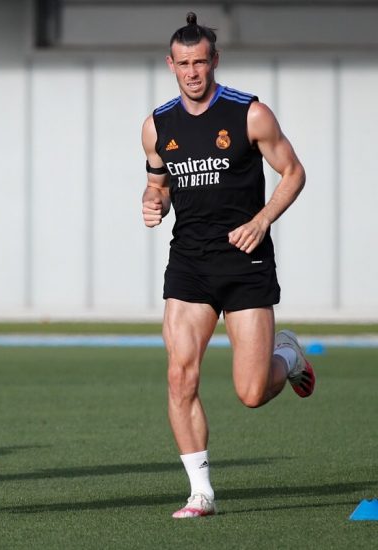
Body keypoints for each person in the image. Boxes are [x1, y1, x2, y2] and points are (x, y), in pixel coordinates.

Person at [140, 13, 314, 518]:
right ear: (170, 65)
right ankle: (201, 493)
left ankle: (289, 356)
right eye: (184, 64)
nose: (193, 72)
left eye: (200, 62)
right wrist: (153, 203)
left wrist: (262, 220)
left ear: (214, 60)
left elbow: (293, 172)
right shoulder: (157, 125)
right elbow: (157, 184)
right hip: (189, 264)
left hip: (245, 262)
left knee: (252, 393)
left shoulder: (249, 114)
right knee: (180, 376)